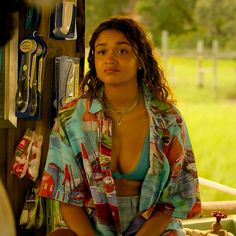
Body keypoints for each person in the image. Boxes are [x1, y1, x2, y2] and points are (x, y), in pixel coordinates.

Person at [39, 17, 201, 236]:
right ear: (94, 61)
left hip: (151, 228)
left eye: (122, 51)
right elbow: (67, 198)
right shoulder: (72, 117)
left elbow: (172, 201)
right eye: (102, 52)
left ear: (141, 60)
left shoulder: (168, 119)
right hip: (90, 226)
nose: (110, 59)